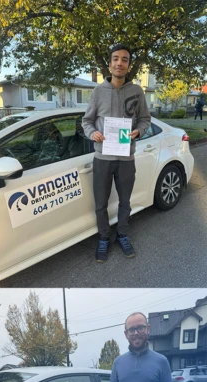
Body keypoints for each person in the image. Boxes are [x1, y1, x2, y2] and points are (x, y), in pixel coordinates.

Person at [81, 43, 151, 263]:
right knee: (100, 203)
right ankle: (104, 238)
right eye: (116, 59)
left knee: (125, 202)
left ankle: (122, 234)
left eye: (125, 59)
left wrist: (138, 131)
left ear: (129, 65)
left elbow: (145, 119)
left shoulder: (137, 91)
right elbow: (87, 121)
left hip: (125, 158)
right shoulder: (98, 92)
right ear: (110, 64)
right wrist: (93, 133)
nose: (120, 63)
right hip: (102, 158)